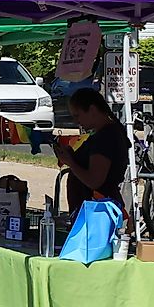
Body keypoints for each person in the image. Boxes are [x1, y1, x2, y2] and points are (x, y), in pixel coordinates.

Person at [52, 85, 128, 216]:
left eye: (78, 115)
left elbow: (94, 180)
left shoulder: (105, 138)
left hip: (96, 212)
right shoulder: (105, 134)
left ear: (92, 110)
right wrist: (72, 156)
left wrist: (71, 162)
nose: (76, 121)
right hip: (92, 209)